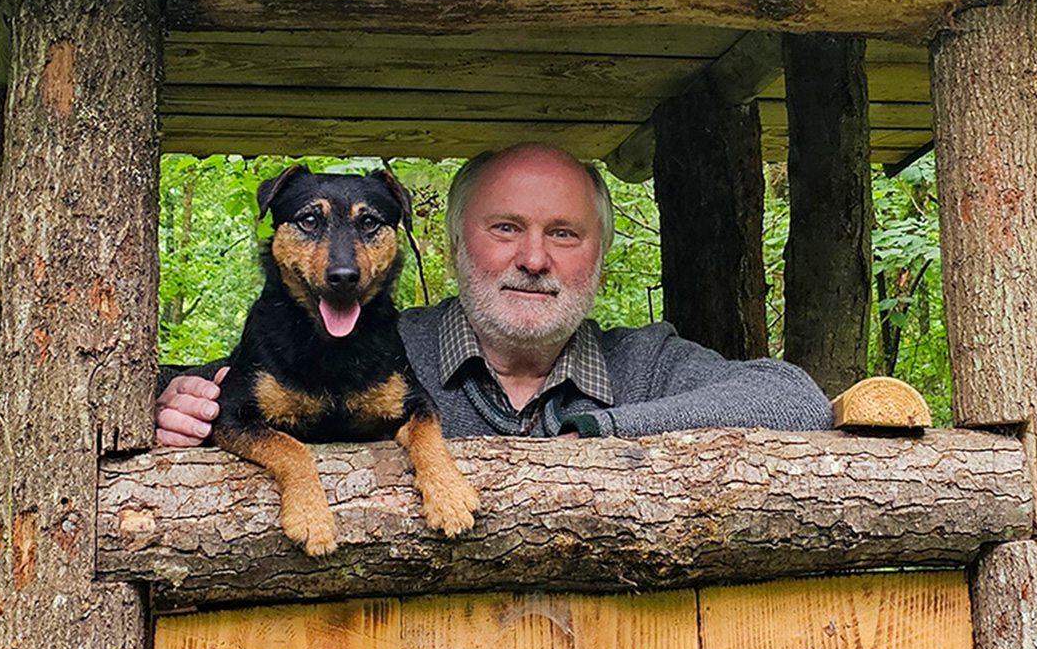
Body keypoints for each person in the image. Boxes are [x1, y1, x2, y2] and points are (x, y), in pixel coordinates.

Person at [156, 144, 830, 444]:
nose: (534, 259)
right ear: (451, 250)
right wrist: (177, 404)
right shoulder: (375, 347)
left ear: (600, 256)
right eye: (506, 229)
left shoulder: (645, 364)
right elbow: (216, 387)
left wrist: (602, 431)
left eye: (564, 234)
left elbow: (794, 400)